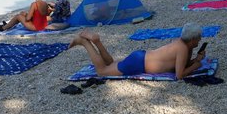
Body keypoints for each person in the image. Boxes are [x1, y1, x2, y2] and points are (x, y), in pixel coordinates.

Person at [68, 23, 206, 80]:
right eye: (198, 39)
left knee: (110, 63)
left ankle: (97, 41)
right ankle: (85, 42)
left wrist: (196, 60)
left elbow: (181, 65)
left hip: (141, 57)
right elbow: (179, 75)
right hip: (138, 63)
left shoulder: (181, 45)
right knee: (102, 71)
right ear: (192, 39)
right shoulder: (182, 49)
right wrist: (196, 65)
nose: (199, 41)